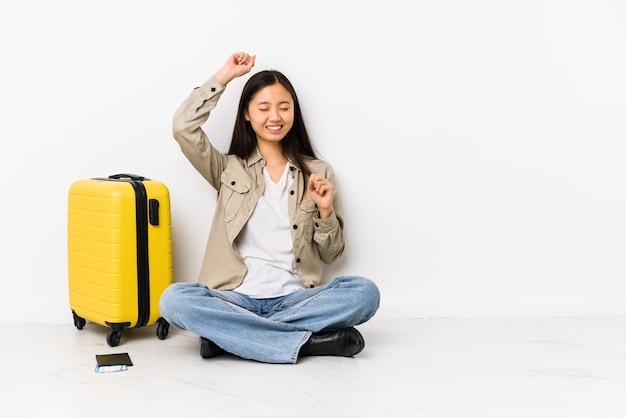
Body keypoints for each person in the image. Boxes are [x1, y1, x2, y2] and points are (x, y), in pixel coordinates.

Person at [159, 51, 380, 364]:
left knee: (365, 293)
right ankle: (309, 344)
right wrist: (224, 76)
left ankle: (231, 339)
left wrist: (326, 212)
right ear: (247, 114)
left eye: (283, 107)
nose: (275, 117)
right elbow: (183, 128)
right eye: (263, 108)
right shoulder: (227, 169)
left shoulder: (319, 173)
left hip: (297, 299)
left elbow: (332, 255)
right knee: (173, 301)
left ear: (294, 113)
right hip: (235, 298)